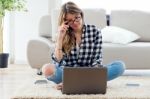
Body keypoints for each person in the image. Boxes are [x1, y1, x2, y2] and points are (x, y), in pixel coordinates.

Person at [42, 1, 125, 90]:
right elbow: (58, 61)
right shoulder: (61, 34)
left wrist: (94, 73)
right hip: (68, 73)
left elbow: (97, 60)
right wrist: (60, 38)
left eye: (77, 18)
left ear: (81, 14)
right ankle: (88, 82)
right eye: (69, 21)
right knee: (46, 69)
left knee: (120, 66)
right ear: (64, 22)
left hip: (90, 72)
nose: (75, 22)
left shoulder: (95, 31)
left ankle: (75, 83)